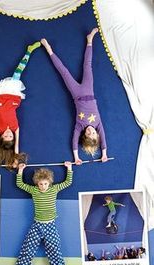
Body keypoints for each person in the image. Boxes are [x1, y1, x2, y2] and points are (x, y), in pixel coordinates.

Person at [41, 29, 108, 165]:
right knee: (87, 66)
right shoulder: (98, 124)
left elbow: (74, 140)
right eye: (93, 133)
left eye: (88, 134)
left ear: (85, 134)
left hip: (76, 93)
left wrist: (76, 157)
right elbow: (104, 139)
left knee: (63, 71)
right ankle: (89, 41)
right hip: (89, 91)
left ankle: (49, 50)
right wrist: (104, 153)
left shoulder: (80, 126)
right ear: (97, 133)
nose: (90, 131)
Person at [8, 162, 73, 265]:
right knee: (28, 247)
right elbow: (20, 184)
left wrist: (69, 168)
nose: (43, 186)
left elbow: (67, 182)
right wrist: (20, 170)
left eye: (45, 184)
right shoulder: (34, 190)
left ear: (49, 183)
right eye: (41, 184)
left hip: (50, 226)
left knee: (55, 249)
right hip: (37, 225)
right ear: (37, 183)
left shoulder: (54, 189)